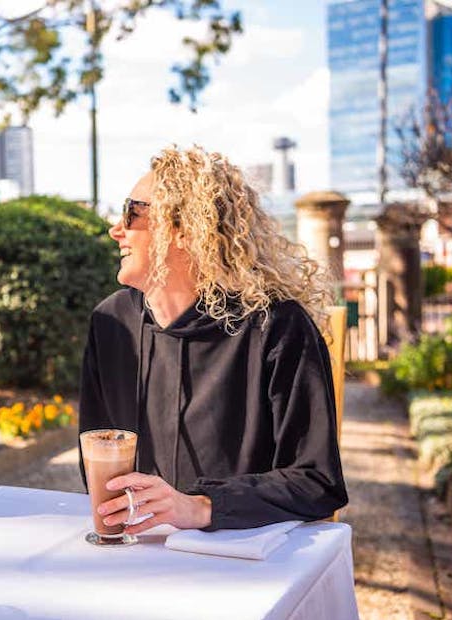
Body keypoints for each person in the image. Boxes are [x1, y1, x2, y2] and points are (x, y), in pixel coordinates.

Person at [80, 146, 348, 533]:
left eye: (131, 212)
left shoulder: (277, 327)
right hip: (138, 556)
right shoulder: (111, 324)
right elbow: (94, 458)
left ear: (187, 230)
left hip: (242, 564)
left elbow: (317, 482)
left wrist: (201, 507)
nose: (115, 230)